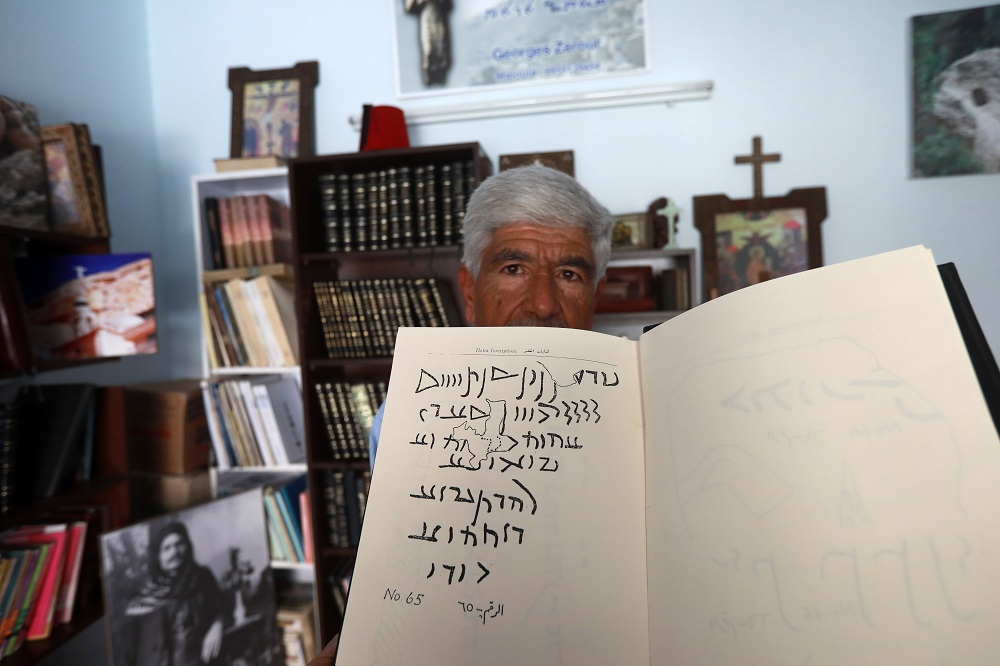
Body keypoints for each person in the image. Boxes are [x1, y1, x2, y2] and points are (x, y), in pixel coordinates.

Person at [308, 163, 613, 665]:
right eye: (513, 269)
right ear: (470, 290)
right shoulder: (407, 418)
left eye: (569, 274)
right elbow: (410, 577)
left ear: (594, 295)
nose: (542, 303)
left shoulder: (643, 409)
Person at [121, 521, 227, 665]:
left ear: (188, 547)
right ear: (157, 556)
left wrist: (217, 626)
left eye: (179, 544)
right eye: (166, 548)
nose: (174, 552)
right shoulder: (141, 595)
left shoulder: (202, 578)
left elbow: (220, 608)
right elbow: (128, 652)